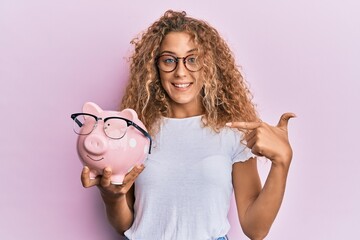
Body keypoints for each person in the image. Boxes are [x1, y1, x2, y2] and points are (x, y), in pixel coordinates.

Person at [80, 10, 295, 240]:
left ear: (209, 66)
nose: (181, 72)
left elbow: (256, 229)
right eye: (169, 60)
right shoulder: (136, 133)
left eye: (192, 59)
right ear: (155, 66)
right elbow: (126, 224)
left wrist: (281, 162)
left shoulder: (233, 131)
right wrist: (111, 197)